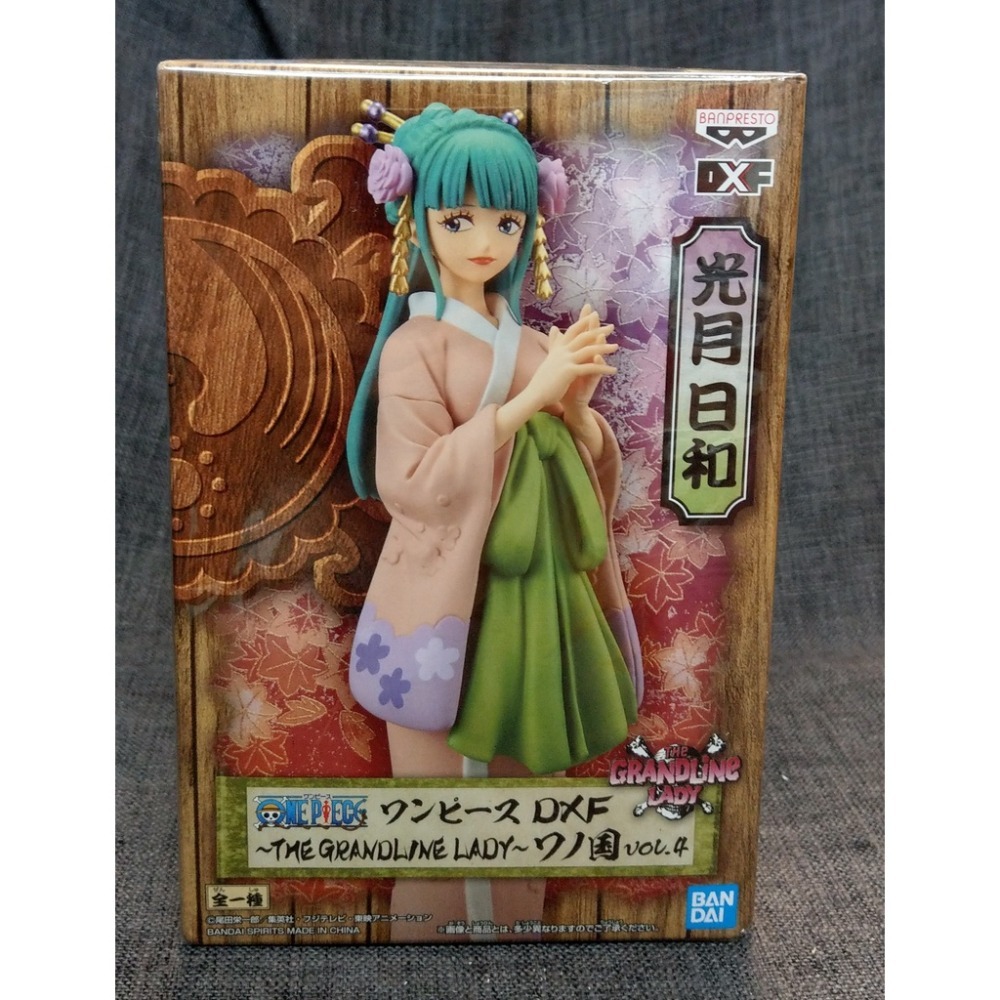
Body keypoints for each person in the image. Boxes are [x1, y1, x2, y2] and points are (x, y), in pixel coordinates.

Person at [347, 101, 643, 785]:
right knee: (440, 803)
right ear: (417, 219)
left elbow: (586, 472)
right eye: (459, 220)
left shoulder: (538, 345)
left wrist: (577, 414)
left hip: (544, 593)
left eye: (507, 222)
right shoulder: (415, 346)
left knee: (529, 790)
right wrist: (534, 399)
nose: (485, 240)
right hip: (458, 592)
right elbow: (413, 481)